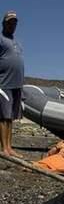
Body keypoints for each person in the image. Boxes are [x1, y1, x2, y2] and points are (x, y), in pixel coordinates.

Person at [0, 11, 24, 157]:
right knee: (3, 116)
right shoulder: (1, 39)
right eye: (9, 22)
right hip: (3, 83)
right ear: (4, 23)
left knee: (11, 117)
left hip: (16, 84)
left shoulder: (16, 42)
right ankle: (4, 148)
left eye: (14, 23)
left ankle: (9, 147)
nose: (12, 25)